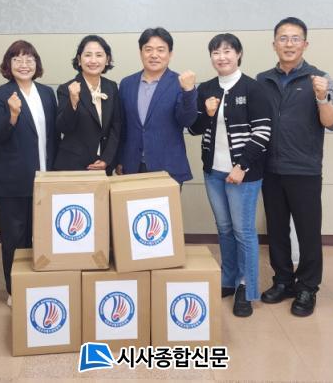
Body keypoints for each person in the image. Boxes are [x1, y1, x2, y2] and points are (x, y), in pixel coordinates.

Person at [256, 17, 333, 317]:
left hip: (304, 169)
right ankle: (282, 280)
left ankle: (307, 287)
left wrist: (321, 97)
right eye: (283, 38)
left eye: (295, 38)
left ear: (305, 44)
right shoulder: (262, 80)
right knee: (276, 230)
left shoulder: (320, 78)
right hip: (270, 169)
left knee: (308, 232)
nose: (289, 44)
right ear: (274, 44)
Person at [188, 33, 272, 317]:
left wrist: (241, 166)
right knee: (224, 228)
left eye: (227, 51)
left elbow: (263, 132)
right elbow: (194, 128)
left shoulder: (253, 88)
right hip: (213, 171)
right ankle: (228, 279)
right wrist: (206, 112)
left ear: (238, 54)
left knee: (243, 231)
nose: (221, 57)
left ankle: (246, 287)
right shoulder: (207, 88)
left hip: (243, 173)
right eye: (216, 52)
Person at [0, 40, 58, 306]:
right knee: (14, 239)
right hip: (12, 182)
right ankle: (14, 289)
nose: (24, 64)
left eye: (29, 59)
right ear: (8, 65)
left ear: (36, 64)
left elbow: (54, 137)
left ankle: (36, 282)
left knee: (42, 237)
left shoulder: (47, 93)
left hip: (45, 179)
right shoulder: (0, 95)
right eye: (17, 59)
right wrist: (13, 115)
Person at [117, 27, 197, 184]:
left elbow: (187, 120)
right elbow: (122, 127)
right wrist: (120, 159)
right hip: (132, 167)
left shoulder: (180, 83)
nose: (154, 55)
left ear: (170, 54)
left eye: (161, 50)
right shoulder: (127, 84)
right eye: (148, 50)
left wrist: (189, 91)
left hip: (167, 168)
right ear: (141, 52)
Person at [54, 35, 121, 174]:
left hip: (103, 165)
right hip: (73, 166)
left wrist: (107, 160)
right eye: (88, 55)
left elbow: (116, 126)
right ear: (79, 60)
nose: (93, 60)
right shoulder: (66, 89)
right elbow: (63, 128)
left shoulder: (111, 87)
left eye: (99, 55)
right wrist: (73, 101)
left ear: (107, 59)